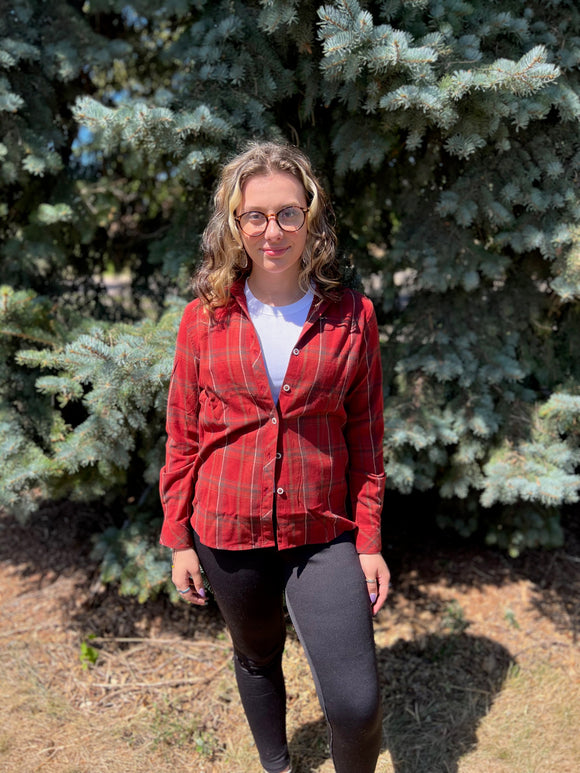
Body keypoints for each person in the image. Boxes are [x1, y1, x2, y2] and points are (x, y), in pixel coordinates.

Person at [159, 141, 390, 773]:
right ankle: (277, 766)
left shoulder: (352, 317)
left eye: (288, 213)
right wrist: (178, 538)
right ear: (235, 225)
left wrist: (369, 541)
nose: (273, 231)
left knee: (356, 703)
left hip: (323, 530)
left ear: (310, 217)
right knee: (257, 657)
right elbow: (183, 435)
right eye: (255, 215)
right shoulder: (202, 320)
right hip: (226, 530)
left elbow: (366, 438)